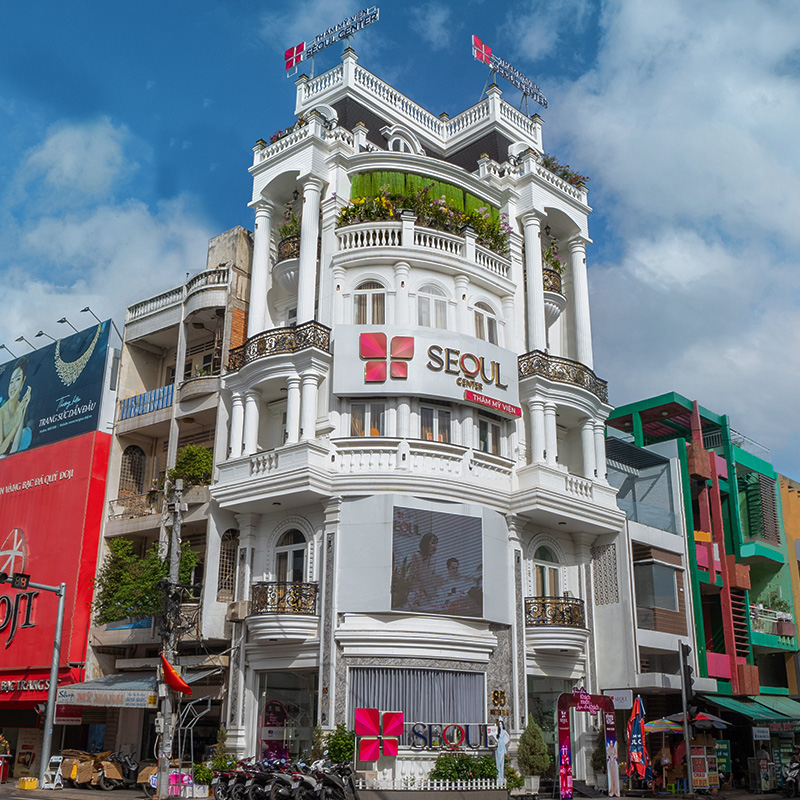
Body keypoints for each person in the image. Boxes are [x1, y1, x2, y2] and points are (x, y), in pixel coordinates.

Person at [0, 358, 32, 455]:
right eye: (11, 382)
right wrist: (16, 424)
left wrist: (23, 410)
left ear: (23, 382)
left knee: (27, 432)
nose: (13, 386)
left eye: (17, 380)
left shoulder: (21, 407)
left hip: (11, 463)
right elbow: (1, 451)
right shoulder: (1, 412)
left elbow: (14, 449)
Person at [406, 533, 442, 610]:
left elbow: (432, 577)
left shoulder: (433, 559)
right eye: (432, 543)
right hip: (416, 591)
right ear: (426, 544)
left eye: (436, 544)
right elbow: (412, 576)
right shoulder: (417, 556)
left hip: (427, 591)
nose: (435, 546)